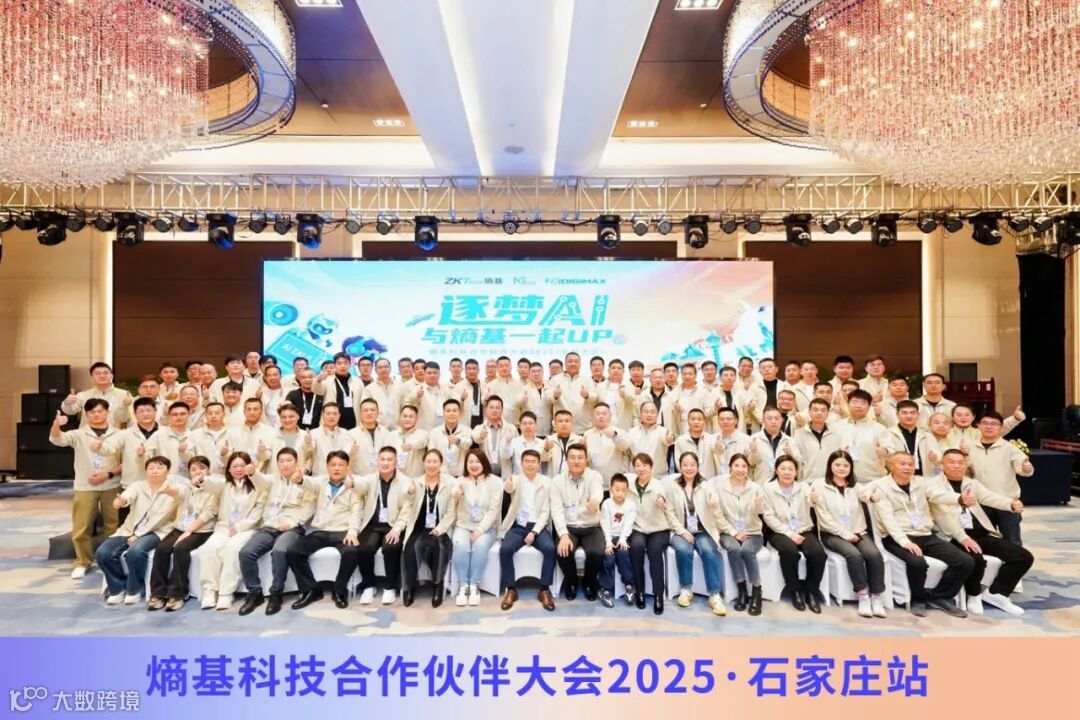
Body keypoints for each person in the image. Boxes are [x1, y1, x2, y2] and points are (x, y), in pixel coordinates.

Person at [870, 451, 976, 618]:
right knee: (917, 563)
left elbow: (938, 495)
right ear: (891, 466)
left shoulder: (921, 483)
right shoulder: (881, 486)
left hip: (925, 534)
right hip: (896, 536)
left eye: (911, 464)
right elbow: (887, 519)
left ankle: (941, 597)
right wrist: (904, 542)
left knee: (965, 561)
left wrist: (959, 499)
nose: (907, 467)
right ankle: (918, 600)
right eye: (902, 464)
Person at [931, 449, 1033, 616]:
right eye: (951, 462)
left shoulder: (971, 483)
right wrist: (963, 537)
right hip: (953, 535)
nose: (957, 466)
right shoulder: (932, 485)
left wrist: (1010, 504)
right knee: (975, 558)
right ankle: (974, 595)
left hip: (980, 533)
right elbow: (941, 514)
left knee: (1023, 557)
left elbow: (989, 497)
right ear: (942, 464)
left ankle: (997, 593)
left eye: (960, 462)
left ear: (966, 465)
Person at [50, 400, 123, 579]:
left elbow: (125, 462)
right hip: (85, 485)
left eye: (100, 411)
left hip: (111, 484)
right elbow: (57, 439)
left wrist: (108, 474)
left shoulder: (119, 434)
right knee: (82, 526)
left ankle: (110, 559)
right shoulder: (79, 434)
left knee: (113, 526)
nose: (96, 414)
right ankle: (83, 562)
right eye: (92, 412)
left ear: (107, 412)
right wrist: (56, 425)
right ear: (86, 415)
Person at [238, 448, 315, 616]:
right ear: (277, 464)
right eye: (281, 461)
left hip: (292, 527)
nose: (285, 464)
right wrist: (252, 472)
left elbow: (309, 507)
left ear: (296, 462)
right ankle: (255, 593)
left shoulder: (306, 482)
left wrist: (292, 523)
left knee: (279, 551)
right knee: (246, 552)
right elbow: (260, 480)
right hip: (270, 526)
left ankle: (276, 594)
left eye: (289, 460)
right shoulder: (273, 480)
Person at [811, 450, 887, 618]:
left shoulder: (855, 486)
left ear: (851, 468)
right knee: (854, 555)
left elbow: (866, 495)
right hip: (832, 534)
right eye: (837, 464)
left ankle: (876, 597)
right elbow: (824, 518)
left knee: (874, 555)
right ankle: (863, 596)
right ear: (830, 465)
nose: (842, 468)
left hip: (857, 531)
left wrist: (873, 497)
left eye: (846, 465)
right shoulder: (819, 485)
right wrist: (845, 534)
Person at [94, 455, 178, 605]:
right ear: (146, 471)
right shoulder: (138, 486)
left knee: (136, 551)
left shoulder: (172, 490)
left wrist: (138, 535)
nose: (155, 471)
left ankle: (134, 589)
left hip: (157, 531)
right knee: (102, 553)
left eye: (159, 468)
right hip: (129, 529)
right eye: (151, 468)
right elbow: (128, 496)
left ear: (168, 471)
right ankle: (117, 588)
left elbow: (161, 517)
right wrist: (121, 501)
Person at [288, 450, 365, 610]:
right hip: (321, 530)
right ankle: (311, 590)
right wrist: (300, 479)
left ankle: (339, 590)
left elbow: (356, 511)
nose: (336, 468)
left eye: (341, 465)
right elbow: (307, 482)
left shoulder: (353, 485)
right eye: (333, 465)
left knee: (352, 552)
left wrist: (352, 531)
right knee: (293, 551)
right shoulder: (321, 482)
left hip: (343, 531)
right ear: (327, 467)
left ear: (347, 467)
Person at [148, 456, 222, 611]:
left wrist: (189, 531)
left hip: (202, 530)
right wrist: (167, 490)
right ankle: (157, 593)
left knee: (180, 548)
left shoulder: (214, 488)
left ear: (209, 470)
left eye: (201, 468)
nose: (197, 472)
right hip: (180, 527)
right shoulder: (187, 486)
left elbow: (208, 514)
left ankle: (177, 593)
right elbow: (177, 491)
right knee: (161, 549)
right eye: (193, 469)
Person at [198, 452, 267, 611]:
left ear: (249, 467)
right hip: (224, 528)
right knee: (209, 548)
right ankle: (210, 590)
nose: (239, 469)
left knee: (232, 548)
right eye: (234, 466)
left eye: (242, 465)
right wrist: (201, 480)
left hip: (246, 529)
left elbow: (257, 514)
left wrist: (238, 528)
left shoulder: (258, 487)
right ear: (228, 469)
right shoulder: (223, 485)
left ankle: (226, 593)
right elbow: (209, 483)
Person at [761, 455, 827, 612]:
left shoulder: (803, 487)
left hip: (803, 528)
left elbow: (812, 502)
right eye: (783, 468)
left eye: (791, 469)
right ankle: (795, 590)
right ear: (776, 470)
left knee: (818, 553)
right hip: (779, 531)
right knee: (789, 552)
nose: (787, 472)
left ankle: (811, 590)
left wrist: (814, 500)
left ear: (796, 472)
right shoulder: (768, 489)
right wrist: (790, 534)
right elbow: (768, 517)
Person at [665, 452, 727, 615]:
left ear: (697, 466)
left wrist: (714, 504)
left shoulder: (706, 485)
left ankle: (714, 595)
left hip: (702, 530)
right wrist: (682, 531)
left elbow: (715, 511)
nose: (689, 468)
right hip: (680, 530)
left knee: (708, 551)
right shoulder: (673, 486)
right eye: (685, 464)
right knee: (683, 550)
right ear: (680, 466)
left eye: (692, 464)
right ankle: (686, 589)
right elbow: (669, 513)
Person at [355, 447, 415, 606]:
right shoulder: (369, 479)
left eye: (389, 459)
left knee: (391, 547)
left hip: (393, 525)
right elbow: (359, 485)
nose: (385, 463)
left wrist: (397, 529)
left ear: (396, 462)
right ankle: (368, 586)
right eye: (382, 459)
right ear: (377, 461)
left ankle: (390, 587)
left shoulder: (406, 482)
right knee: (364, 548)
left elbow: (407, 510)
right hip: (373, 524)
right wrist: (351, 482)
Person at [498, 449, 556, 611]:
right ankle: (511, 589)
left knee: (550, 548)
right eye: (527, 461)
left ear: (539, 465)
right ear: (521, 463)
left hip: (538, 526)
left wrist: (534, 532)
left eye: (533, 462)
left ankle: (544, 589)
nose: (530, 464)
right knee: (505, 549)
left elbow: (546, 511)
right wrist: (508, 486)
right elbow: (509, 488)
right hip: (518, 526)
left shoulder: (547, 482)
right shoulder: (516, 480)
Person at [966, 411, 1034, 545]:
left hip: (1007, 501)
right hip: (982, 502)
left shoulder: (1009, 448)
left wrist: (1026, 468)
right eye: (985, 423)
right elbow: (966, 472)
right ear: (978, 426)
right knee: (983, 541)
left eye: (994, 424)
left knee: (1011, 541)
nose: (989, 426)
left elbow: (1023, 468)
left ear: (1001, 428)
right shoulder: (970, 448)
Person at [550, 443, 605, 601]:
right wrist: (563, 534)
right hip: (569, 526)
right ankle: (572, 581)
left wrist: (595, 501)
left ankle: (588, 581)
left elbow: (597, 492)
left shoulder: (594, 476)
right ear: (566, 460)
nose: (576, 461)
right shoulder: (557, 481)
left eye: (580, 457)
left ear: (586, 460)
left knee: (596, 552)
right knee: (562, 551)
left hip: (591, 525)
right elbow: (556, 510)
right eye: (572, 457)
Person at [401, 449, 456, 607]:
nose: (431, 465)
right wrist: (410, 493)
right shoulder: (415, 482)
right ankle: (409, 588)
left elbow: (451, 512)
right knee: (410, 550)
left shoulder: (450, 483)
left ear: (441, 464)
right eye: (428, 462)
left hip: (439, 528)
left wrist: (440, 528)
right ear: (423, 463)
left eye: (435, 462)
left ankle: (437, 587)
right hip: (418, 527)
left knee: (438, 547)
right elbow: (407, 504)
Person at [450, 447, 502, 606]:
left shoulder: (495, 482)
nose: (473, 465)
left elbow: (493, 510)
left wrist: (480, 530)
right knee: (460, 545)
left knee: (480, 545)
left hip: (488, 527)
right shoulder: (460, 480)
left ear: (484, 463)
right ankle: (463, 585)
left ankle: (474, 585)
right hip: (464, 525)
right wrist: (456, 494)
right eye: (470, 461)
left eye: (477, 461)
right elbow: (454, 493)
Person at [713, 454, 765, 615]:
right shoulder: (720, 488)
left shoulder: (755, 488)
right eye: (736, 465)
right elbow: (718, 516)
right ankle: (741, 589)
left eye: (744, 466)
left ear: (748, 469)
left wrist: (758, 505)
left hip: (752, 532)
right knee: (734, 548)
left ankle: (757, 590)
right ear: (730, 468)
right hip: (728, 531)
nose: (740, 469)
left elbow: (761, 513)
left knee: (747, 550)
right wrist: (734, 533)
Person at [626, 453, 669, 614]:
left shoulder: (658, 485)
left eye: (645, 465)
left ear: (651, 468)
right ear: (634, 468)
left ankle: (658, 595)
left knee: (654, 550)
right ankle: (640, 592)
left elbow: (662, 496)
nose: (641, 469)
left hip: (658, 529)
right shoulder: (630, 486)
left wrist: (661, 501)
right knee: (636, 547)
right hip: (638, 528)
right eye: (638, 465)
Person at [598, 474, 636, 608]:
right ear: (611, 489)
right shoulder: (607, 504)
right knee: (608, 558)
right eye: (617, 489)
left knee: (624, 554)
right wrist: (608, 543)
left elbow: (629, 524)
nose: (620, 493)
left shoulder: (630, 504)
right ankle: (605, 589)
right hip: (608, 535)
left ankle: (629, 585)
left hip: (623, 537)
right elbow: (605, 524)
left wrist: (623, 539)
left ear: (627, 490)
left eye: (623, 490)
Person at [104, 397, 159, 488]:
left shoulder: (165, 432)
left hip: (161, 484)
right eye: (141, 411)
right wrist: (99, 447)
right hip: (132, 484)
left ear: (155, 411)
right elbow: (109, 448)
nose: (145, 414)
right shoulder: (125, 433)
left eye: (148, 410)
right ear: (135, 414)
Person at [61, 361, 133, 429]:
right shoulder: (84, 394)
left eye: (106, 373)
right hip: (87, 435)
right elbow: (71, 411)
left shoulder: (124, 394)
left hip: (113, 435)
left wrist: (124, 406)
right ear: (92, 377)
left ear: (112, 376)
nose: (102, 376)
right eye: (97, 374)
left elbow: (126, 419)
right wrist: (67, 403)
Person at [842, 390, 892, 482]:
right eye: (855, 402)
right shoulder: (837, 426)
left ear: (869, 407)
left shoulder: (879, 428)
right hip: (844, 480)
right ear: (847, 404)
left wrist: (885, 450)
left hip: (874, 479)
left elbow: (891, 450)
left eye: (863, 403)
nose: (858, 406)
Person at [793, 398, 844, 481]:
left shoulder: (837, 434)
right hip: (807, 481)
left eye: (823, 410)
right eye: (815, 410)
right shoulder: (799, 434)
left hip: (831, 481)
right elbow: (797, 460)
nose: (819, 413)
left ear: (828, 414)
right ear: (809, 412)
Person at [583, 403, 631, 489]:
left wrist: (614, 436)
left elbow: (625, 446)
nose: (601, 416)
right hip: (593, 482)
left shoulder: (618, 432)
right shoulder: (587, 434)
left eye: (604, 414)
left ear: (610, 416)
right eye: (598, 414)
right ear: (593, 416)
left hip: (614, 484)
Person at [544, 352, 595, 434]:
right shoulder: (555, 379)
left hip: (584, 427)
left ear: (580, 364)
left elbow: (596, 398)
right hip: (561, 428)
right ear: (565, 364)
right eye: (570, 361)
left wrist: (587, 396)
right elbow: (547, 398)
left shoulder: (587, 379)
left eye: (576, 361)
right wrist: (555, 396)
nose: (573, 364)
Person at [747, 407, 798, 484]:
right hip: (760, 484)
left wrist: (792, 455)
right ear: (763, 420)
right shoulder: (754, 439)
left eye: (777, 418)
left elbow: (799, 464)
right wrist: (754, 452)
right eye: (769, 418)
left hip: (783, 485)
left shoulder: (790, 441)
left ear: (781, 420)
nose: (773, 421)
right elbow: (749, 464)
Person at [471, 396, 517, 477]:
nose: (494, 410)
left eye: (497, 408)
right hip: (485, 474)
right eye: (491, 407)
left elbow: (516, 453)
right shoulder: (479, 428)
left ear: (502, 410)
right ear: (486, 410)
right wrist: (481, 436)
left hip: (505, 474)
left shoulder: (511, 429)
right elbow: (475, 438)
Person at [346, 398, 392, 476]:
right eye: (365, 410)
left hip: (382, 477)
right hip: (359, 478)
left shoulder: (386, 433)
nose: (369, 413)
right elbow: (345, 458)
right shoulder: (351, 434)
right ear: (360, 413)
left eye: (372, 410)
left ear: (378, 413)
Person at [428, 399, 474, 477]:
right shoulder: (434, 432)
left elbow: (468, 443)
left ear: (459, 412)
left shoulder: (467, 430)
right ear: (443, 413)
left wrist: (458, 441)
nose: (451, 413)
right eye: (448, 411)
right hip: (440, 475)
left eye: (454, 411)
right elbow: (432, 454)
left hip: (461, 475)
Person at [626, 400, 674, 474]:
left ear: (657, 414)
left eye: (652, 412)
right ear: (640, 414)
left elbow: (667, 439)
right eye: (646, 412)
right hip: (636, 475)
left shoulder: (663, 431)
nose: (649, 415)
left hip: (658, 476)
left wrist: (669, 439)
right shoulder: (631, 432)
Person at [675, 408, 723, 479]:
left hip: (709, 480)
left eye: (700, 419)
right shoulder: (680, 440)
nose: (696, 422)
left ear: (704, 421)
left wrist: (719, 447)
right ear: (688, 421)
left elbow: (719, 451)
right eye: (693, 419)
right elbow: (678, 463)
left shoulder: (711, 438)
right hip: (689, 480)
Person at [388, 405, 428, 477]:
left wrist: (411, 446)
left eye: (411, 416)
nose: (407, 419)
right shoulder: (391, 435)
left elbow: (421, 442)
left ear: (416, 419)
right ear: (400, 417)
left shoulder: (423, 434)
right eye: (405, 416)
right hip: (394, 477)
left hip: (415, 478)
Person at [362, 358, 401, 430]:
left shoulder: (400, 386)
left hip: (398, 429)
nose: (383, 369)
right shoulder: (369, 389)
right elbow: (365, 409)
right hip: (378, 429)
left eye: (386, 367)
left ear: (390, 368)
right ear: (375, 370)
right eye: (380, 367)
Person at [543, 410, 583, 477]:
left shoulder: (579, 440)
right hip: (554, 479)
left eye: (567, 421)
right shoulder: (549, 440)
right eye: (560, 421)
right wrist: (546, 449)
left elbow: (587, 461)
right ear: (554, 424)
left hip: (574, 479)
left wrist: (585, 448)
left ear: (572, 423)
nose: (564, 424)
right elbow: (542, 459)